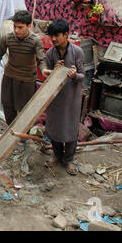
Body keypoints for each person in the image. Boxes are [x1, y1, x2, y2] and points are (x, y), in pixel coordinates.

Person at [42, 19, 85, 176]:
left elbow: (82, 75)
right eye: (51, 36)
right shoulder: (50, 53)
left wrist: (74, 75)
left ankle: (68, 159)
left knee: (70, 127)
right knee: (54, 127)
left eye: (57, 36)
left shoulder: (77, 52)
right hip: (55, 97)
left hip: (71, 97)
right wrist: (53, 71)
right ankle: (57, 156)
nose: (53, 39)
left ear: (66, 34)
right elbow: (46, 74)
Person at [0, 10, 48, 125]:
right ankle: (10, 132)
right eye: (15, 26)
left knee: (24, 110)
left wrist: (44, 70)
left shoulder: (35, 41)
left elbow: (41, 59)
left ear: (29, 26)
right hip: (9, 77)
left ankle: (22, 136)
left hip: (26, 81)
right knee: (7, 105)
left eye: (20, 27)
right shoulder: (7, 38)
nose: (16, 30)